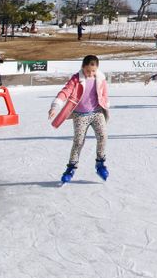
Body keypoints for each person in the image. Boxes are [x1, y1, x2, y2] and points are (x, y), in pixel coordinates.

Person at [47, 55, 110, 183]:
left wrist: (105, 105)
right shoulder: (76, 80)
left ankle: (100, 163)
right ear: (83, 67)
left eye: (93, 71)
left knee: (103, 136)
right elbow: (65, 92)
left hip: (97, 112)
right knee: (78, 142)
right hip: (80, 115)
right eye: (88, 71)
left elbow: (104, 94)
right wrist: (55, 106)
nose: (90, 73)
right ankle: (71, 167)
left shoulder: (100, 78)